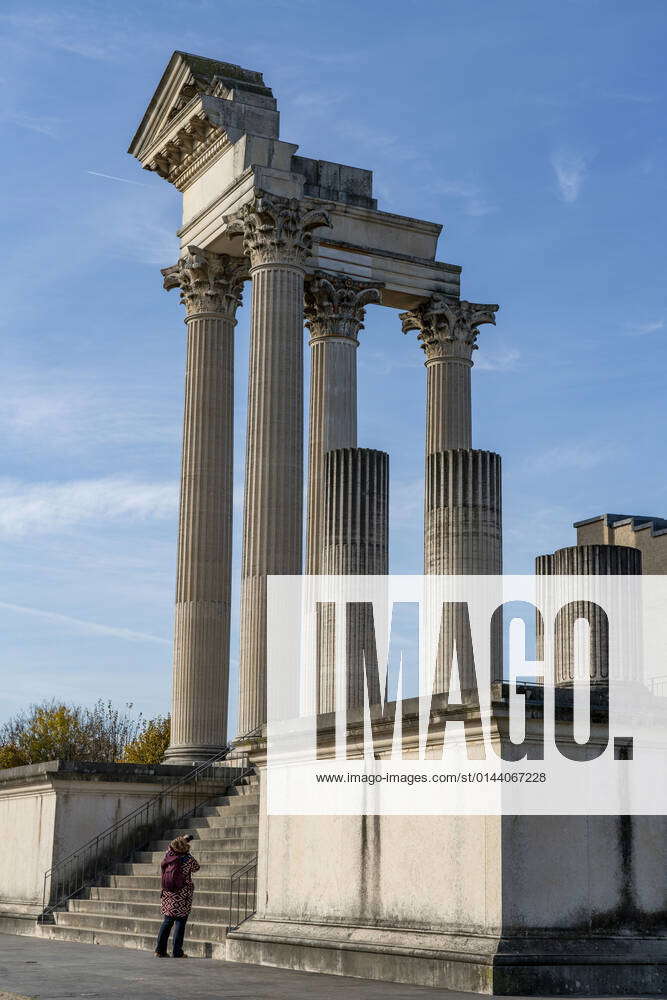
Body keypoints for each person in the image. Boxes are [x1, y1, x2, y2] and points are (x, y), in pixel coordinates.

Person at [155, 834, 200, 958]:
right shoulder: (188, 859)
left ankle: (160, 950)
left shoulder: (169, 855)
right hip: (182, 894)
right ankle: (177, 951)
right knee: (180, 922)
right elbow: (197, 868)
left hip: (168, 893)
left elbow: (171, 846)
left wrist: (182, 840)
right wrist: (187, 852)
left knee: (167, 921)